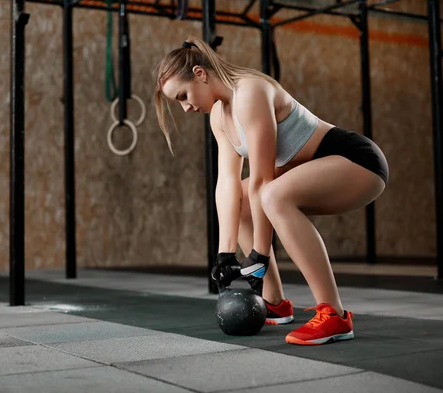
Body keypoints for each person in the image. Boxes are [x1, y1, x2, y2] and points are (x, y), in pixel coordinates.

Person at [154, 37, 389, 346]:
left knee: (272, 195)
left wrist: (259, 254)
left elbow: (262, 179)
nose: (185, 107)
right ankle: (274, 302)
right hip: (311, 174)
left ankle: (334, 315)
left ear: (200, 74)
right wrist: (225, 254)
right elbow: (227, 185)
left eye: (183, 96)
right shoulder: (219, 117)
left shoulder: (249, 93)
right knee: (242, 196)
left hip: (357, 162)